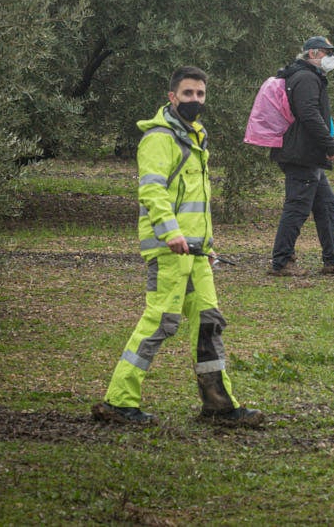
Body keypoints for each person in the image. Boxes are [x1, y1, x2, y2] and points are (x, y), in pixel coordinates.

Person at [92, 66, 263, 427]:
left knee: (208, 323)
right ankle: (118, 400)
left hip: (196, 253)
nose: (195, 100)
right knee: (160, 321)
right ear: (172, 97)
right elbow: (152, 191)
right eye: (188, 94)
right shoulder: (159, 138)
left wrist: (207, 246)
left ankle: (219, 406)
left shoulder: (195, 137)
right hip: (169, 251)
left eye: (200, 94)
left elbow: (197, 202)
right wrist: (170, 233)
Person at [268, 36, 334, 277]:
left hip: (305, 153)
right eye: (326, 53)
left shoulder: (303, 76)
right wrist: (330, 146)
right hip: (302, 153)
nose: (331, 58)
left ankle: (333, 257)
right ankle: (281, 261)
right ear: (312, 54)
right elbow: (309, 114)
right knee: (297, 207)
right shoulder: (306, 78)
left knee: (326, 203)